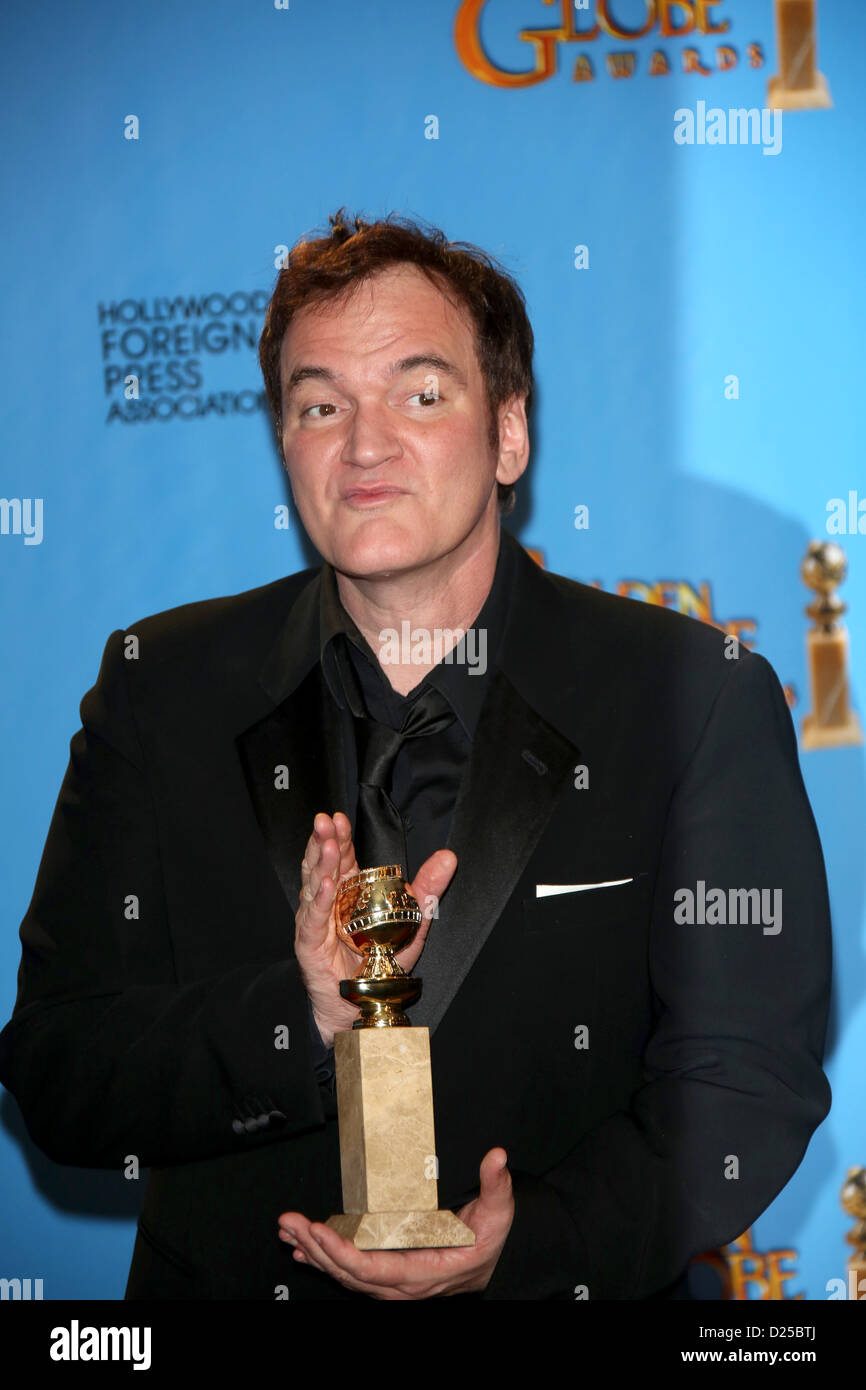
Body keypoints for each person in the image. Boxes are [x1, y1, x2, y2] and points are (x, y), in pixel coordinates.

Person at [0, 210, 832, 1301]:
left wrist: (528, 1244)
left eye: (419, 392)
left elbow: (744, 1081)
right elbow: (61, 1072)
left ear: (509, 434)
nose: (362, 442)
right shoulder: (163, 684)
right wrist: (296, 1011)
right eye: (318, 403)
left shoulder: (689, 694)